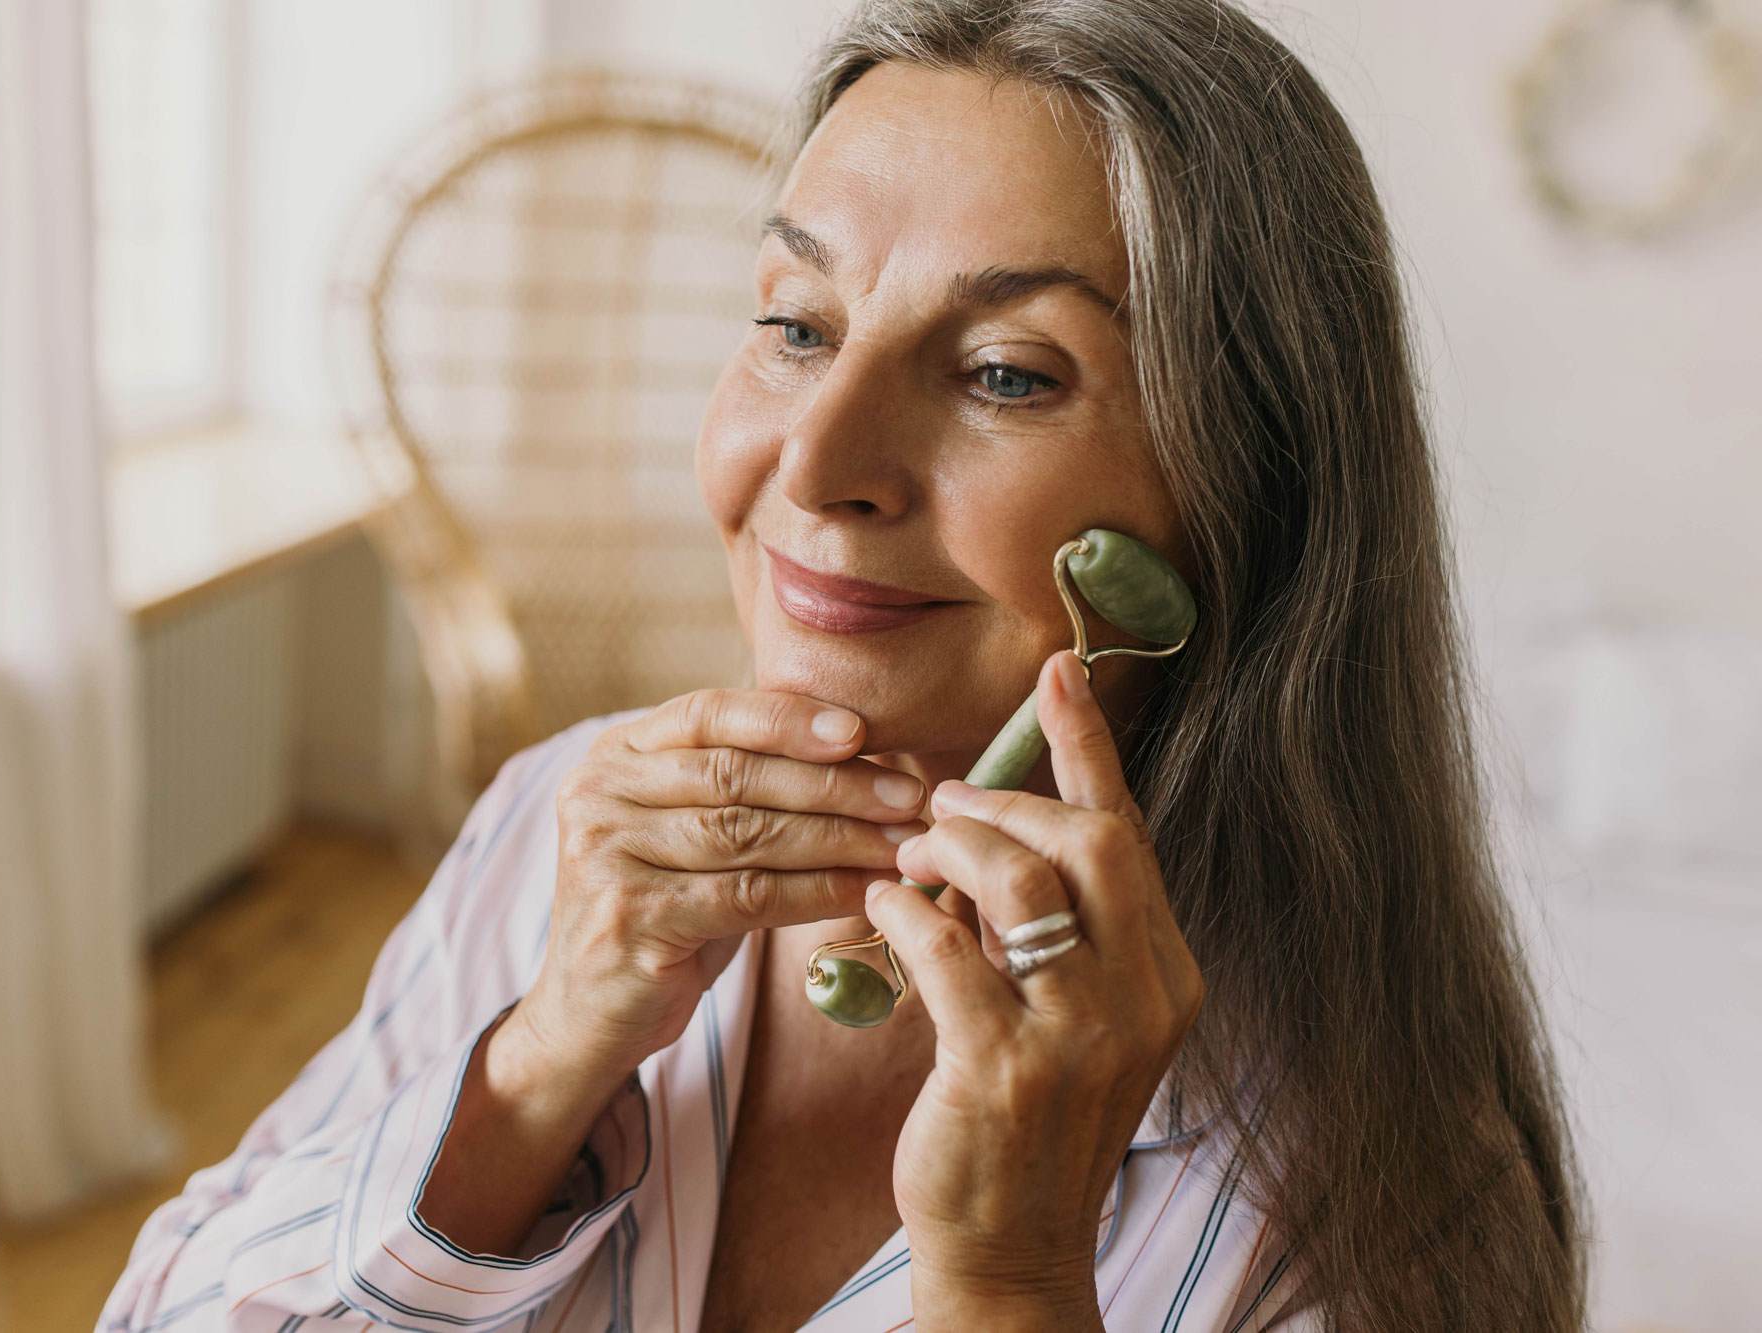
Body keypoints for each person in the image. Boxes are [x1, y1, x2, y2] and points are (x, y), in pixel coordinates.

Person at [98, 0, 1586, 1328]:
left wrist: (1011, 1287)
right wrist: (536, 1069)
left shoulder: (1398, 1192)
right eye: (797, 326)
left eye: (1006, 372)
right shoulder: (565, 823)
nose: (813, 462)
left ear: (1247, 488)